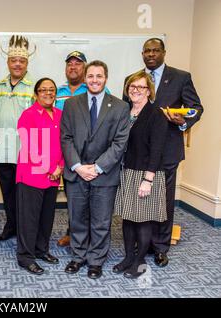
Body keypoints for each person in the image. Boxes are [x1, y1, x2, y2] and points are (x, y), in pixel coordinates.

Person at [124, 38, 203, 267]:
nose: (151, 54)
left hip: (167, 150)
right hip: (138, 153)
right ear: (142, 53)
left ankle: (159, 247)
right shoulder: (133, 79)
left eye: (155, 50)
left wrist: (183, 121)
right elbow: (126, 110)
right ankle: (141, 242)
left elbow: (196, 108)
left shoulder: (181, 77)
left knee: (163, 202)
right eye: (147, 51)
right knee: (139, 200)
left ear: (164, 52)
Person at [61, 60, 130, 279]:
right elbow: (66, 138)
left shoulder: (120, 106)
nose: (94, 80)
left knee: (101, 221)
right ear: (85, 78)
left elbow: (120, 143)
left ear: (106, 78)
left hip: (105, 175)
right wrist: (79, 167)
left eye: (99, 76)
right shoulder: (72, 104)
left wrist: (98, 167)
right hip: (77, 173)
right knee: (77, 218)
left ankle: (96, 260)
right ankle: (78, 256)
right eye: (90, 76)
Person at [113, 71, 168, 279]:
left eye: (141, 87)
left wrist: (148, 179)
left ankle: (139, 262)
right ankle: (128, 257)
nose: (135, 90)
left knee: (143, 221)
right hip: (127, 171)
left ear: (148, 91)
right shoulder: (125, 112)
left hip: (146, 175)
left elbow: (157, 150)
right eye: (132, 86)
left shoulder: (156, 114)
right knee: (128, 218)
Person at [55, 51, 110, 247]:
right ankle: (73, 233)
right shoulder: (57, 91)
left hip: (91, 156)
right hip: (65, 151)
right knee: (73, 198)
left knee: (93, 200)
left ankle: (91, 238)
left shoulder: (98, 91)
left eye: (78, 64)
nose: (73, 67)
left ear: (85, 69)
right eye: (69, 64)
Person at [0, 35, 35, 241]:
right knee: (8, 193)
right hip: (2, 150)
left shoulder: (35, 88)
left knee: (25, 195)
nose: (17, 64)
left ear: (27, 63)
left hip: (26, 152)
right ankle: (10, 226)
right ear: (8, 62)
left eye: (21, 61)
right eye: (14, 60)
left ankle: (25, 229)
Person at [16, 78, 63, 275]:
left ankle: (42, 250)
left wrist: (60, 167)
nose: (48, 93)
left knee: (46, 217)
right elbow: (30, 146)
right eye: (43, 90)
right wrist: (49, 169)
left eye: (51, 90)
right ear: (36, 94)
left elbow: (66, 143)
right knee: (29, 219)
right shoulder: (28, 115)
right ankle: (26, 257)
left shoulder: (61, 114)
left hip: (54, 175)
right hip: (31, 175)